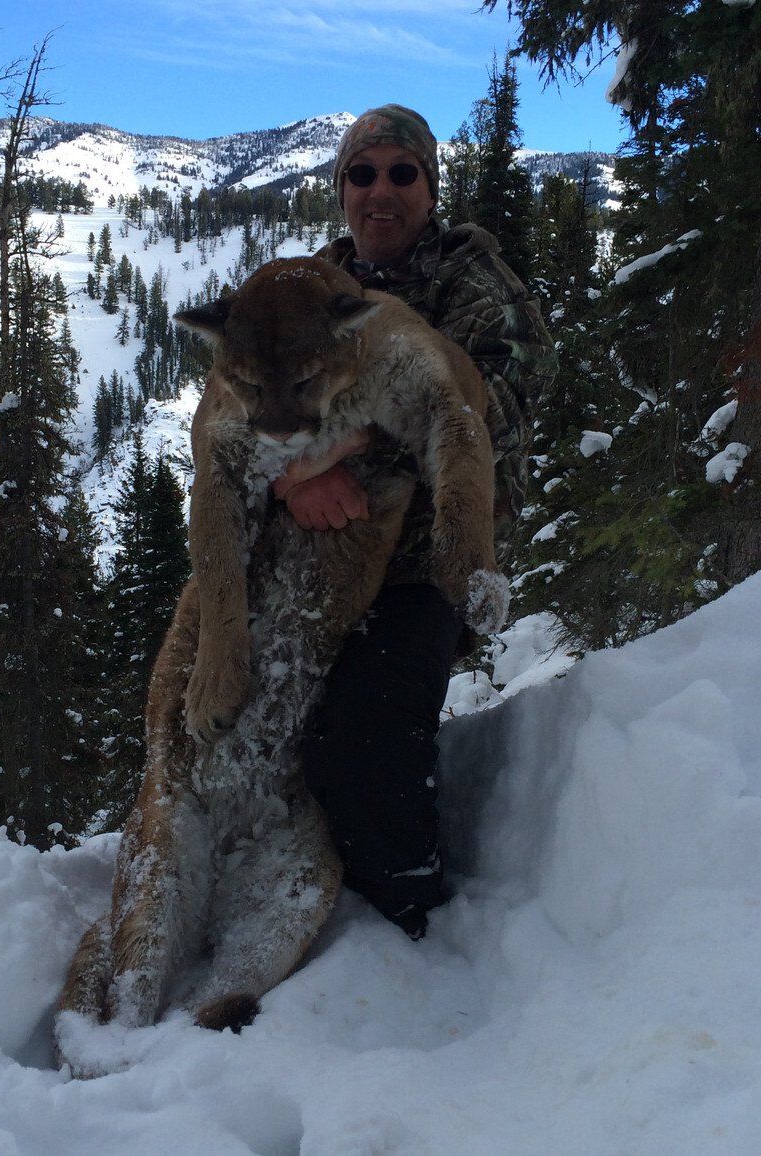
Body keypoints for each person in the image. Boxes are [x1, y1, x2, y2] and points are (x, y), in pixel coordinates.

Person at [272, 105, 558, 938]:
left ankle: (405, 921)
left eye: (403, 173)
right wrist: (293, 484)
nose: (381, 191)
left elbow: (496, 409)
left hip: (420, 563)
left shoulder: (475, 286)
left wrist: (350, 458)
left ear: (431, 187)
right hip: (310, 557)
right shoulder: (310, 291)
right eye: (362, 174)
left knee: (364, 730)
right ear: (342, 190)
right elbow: (244, 414)